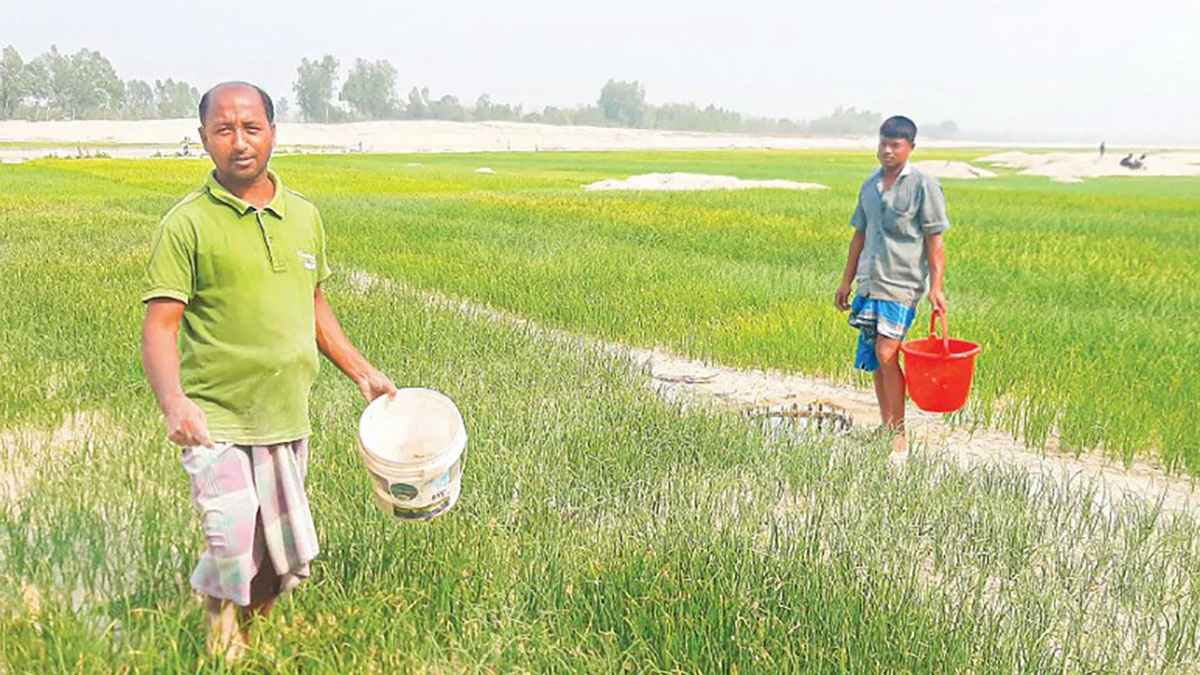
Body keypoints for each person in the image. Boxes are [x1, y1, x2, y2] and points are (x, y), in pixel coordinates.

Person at [140, 81, 397, 660]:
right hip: (217, 416)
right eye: (223, 129)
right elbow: (160, 326)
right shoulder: (187, 223)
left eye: (251, 128)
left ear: (273, 133)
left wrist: (360, 370)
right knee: (230, 526)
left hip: (286, 413)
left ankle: (249, 635)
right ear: (203, 137)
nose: (238, 142)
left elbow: (313, 303)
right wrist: (175, 403)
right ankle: (218, 624)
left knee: (275, 549)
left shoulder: (303, 216)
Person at [834, 115, 949, 461]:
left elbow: (935, 240)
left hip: (903, 284)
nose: (887, 150)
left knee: (888, 353)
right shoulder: (869, 186)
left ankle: (899, 437)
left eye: (895, 144)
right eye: (883, 143)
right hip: (870, 282)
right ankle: (886, 426)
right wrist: (846, 279)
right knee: (876, 357)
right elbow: (860, 234)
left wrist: (937, 287)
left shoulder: (923, 186)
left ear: (910, 148)